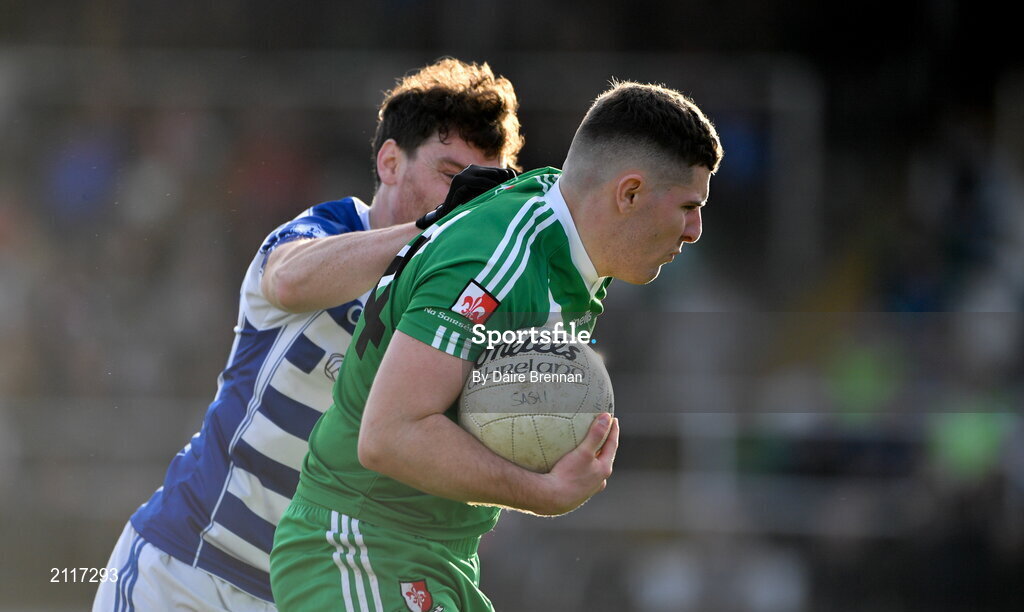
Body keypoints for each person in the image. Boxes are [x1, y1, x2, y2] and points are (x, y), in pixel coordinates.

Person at [269, 80, 724, 611]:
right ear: (628, 194)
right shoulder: (497, 260)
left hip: (433, 554)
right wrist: (543, 493)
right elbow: (389, 434)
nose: (695, 231)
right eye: (689, 207)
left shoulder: (571, 242)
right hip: (359, 547)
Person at [93, 58, 525, 611]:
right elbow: (289, 279)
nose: (467, 201)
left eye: (482, 186)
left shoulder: (465, 301)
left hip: (309, 594)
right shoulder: (328, 232)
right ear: (390, 162)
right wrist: (430, 234)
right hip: (186, 569)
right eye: (450, 175)